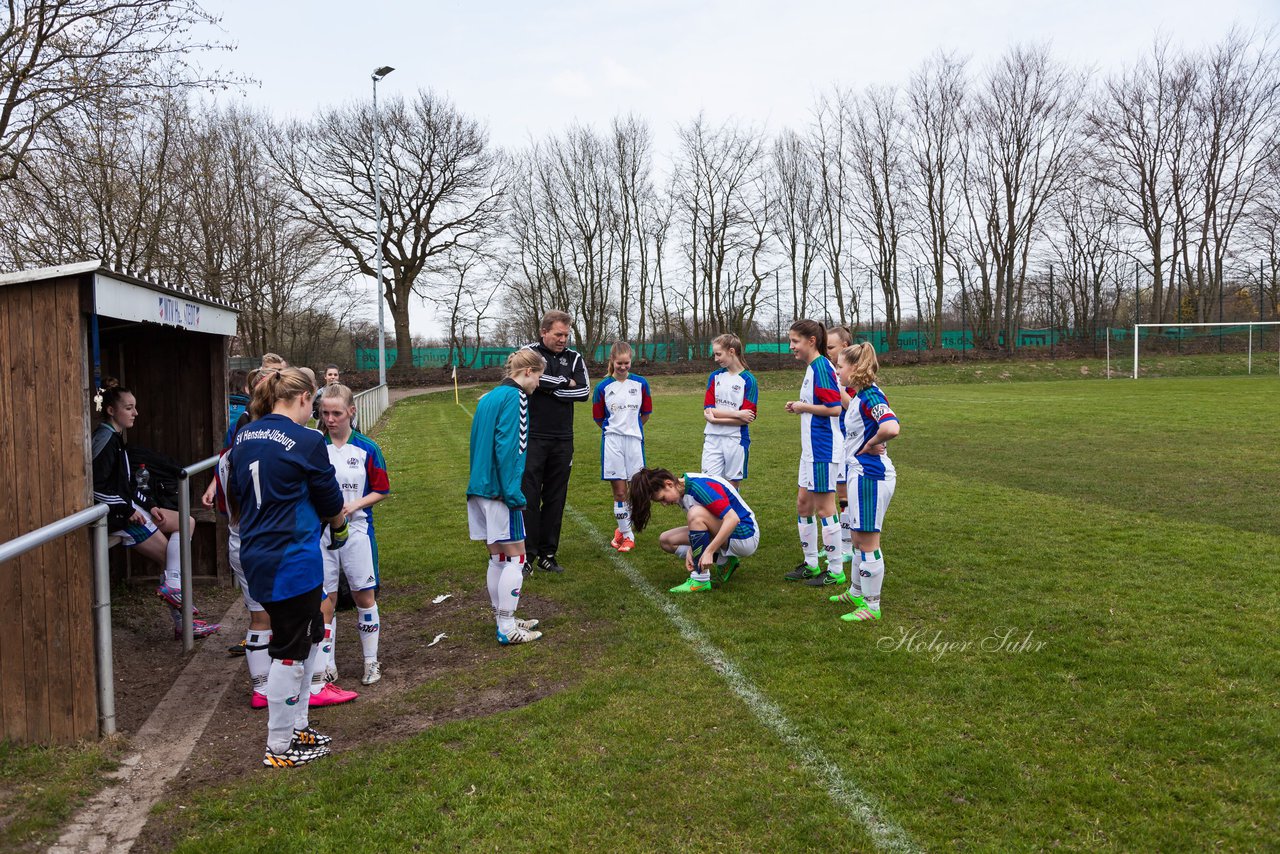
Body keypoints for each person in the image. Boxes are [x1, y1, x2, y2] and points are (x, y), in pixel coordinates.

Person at [227, 367, 350, 767]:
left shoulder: (245, 434)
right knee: (291, 649)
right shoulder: (307, 440)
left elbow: (236, 495)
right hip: (289, 555)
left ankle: (297, 725)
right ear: (302, 399)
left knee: (313, 632)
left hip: (257, 550)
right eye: (312, 404)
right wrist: (338, 525)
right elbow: (329, 496)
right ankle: (279, 746)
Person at [92, 386, 220, 639]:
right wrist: (128, 509)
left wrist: (149, 505)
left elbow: (128, 484)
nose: (136, 413)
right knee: (170, 557)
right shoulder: (105, 440)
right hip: (119, 517)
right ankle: (183, 622)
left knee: (187, 522)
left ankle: (175, 590)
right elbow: (95, 487)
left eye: (135, 407)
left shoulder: (117, 438)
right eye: (129, 408)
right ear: (110, 410)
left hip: (131, 508)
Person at [467, 350, 547, 644]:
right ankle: (506, 626)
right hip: (500, 490)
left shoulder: (488, 397)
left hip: (479, 487)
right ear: (527, 372)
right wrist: (513, 492)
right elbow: (509, 447)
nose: (538, 384)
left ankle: (504, 616)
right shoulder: (517, 398)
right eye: (538, 376)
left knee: (498, 557)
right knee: (517, 557)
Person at [315, 383, 390, 692]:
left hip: (357, 531)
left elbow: (382, 489)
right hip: (320, 534)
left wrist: (355, 504)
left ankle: (370, 660)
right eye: (324, 413)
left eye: (336, 413)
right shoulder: (315, 447)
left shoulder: (367, 448)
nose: (330, 419)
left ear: (351, 412)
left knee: (363, 596)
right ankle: (326, 664)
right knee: (325, 599)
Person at [830, 343, 900, 622]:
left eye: (840, 366)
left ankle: (872, 606)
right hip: (860, 473)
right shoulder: (860, 396)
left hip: (871, 475)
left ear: (854, 368)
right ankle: (857, 591)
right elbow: (854, 409)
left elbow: (892, 427)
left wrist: (872, 443)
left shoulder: (871, 396)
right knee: (859, 538)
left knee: (868, 541)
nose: (837, 371)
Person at [521, 311, 589, 574]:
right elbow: (527, 376)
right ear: (544, 332)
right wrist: (564, 382)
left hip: (563, 439)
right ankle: (526, 554)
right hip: (533, 436)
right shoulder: (529, 352)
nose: (563, 339)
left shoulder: (575, 357)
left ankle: (548, 554)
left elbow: (583, 391)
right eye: (558, 334)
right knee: (528, 495)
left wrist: (548, 387)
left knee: (555, 497)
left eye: (566, 335)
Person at [782, 319, 846, 586]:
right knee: (803, 505)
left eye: (795, 341)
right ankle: (810, 563)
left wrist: (803, 407)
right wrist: (801, 405)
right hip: (810, 449)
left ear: (811, 341)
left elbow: (835, 408)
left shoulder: (821, 367)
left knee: (824, 509)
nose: (791, 346)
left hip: (823, 448)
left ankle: (835, 570)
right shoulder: (812, 368)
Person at [628, 468, 759, 593]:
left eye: (662, 498)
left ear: (668, 483)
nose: (664, 504)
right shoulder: (681, 489)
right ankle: (724, 561)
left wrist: (709, 550)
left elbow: (732, 519)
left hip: (746, 535)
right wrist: (693, 549)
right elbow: (703, 525)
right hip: (728, 530)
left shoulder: (698, 487)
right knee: (666, 540)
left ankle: (700, 580)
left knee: (695, 514)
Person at [592, 342, 652, 552]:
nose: (623, 367)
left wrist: (631, 428)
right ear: (612, 361)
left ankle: (622, 530)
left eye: (627, 363)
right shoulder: (602, 387)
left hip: (634, 442)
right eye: (619, 363)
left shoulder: (641, 384)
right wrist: (616, 430)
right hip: (613, 442)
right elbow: (599, 418)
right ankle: (627, 535)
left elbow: (646, 413)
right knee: (619, 493)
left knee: (636, 489)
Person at [701, 333, 758, 488]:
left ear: (731, 352)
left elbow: (747, 418)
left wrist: (716, 419)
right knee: (709, 483)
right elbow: (709, 409)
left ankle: (734, 513)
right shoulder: (715, 377)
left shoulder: (748, 380)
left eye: (719, 354)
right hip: (712, 438)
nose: (716, 359)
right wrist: (736, 413)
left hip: (736, 439)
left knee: (731, 486)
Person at [825, 326, 855, 576]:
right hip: (838, 439)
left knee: (845, 491)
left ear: (844, 347)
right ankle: (844, 540)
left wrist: (839, 388)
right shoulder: (833, 372)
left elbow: (853, 406)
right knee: (839, 490)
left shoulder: (853, 376)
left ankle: (847, 543)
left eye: (831, 347)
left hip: (851, 442)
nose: (828, 352)